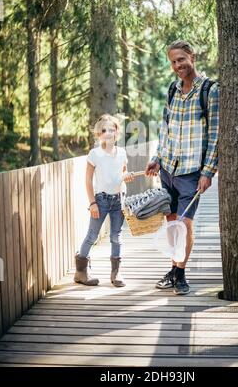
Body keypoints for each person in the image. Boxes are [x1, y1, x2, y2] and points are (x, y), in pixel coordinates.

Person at [146, 40, 219, 295]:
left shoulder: (210, 90)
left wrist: (208, 172)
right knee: (171, 223)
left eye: (181, 60)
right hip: (168, 169)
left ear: (192, 57)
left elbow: (215, 135)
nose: (178, 66)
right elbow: (165, 129)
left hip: (191, 172)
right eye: (173, 62)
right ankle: (173, 270)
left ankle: (181, 273)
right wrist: (156, 157)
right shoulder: (172, 90)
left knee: (185, 224)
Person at [74, 114, 134, 287]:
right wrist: (92, 202)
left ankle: (116, 273)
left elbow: (121, 174)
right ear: (98, 134)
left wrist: (126, 178)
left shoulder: (122, 153)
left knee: (117, 237)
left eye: (112, 129)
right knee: (92, 235)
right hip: (100, 200)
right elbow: (88, 180)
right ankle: (81, 272)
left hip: (117, 201)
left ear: (117, 132)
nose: (108, 133)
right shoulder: (95, 154)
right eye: (104, 130)